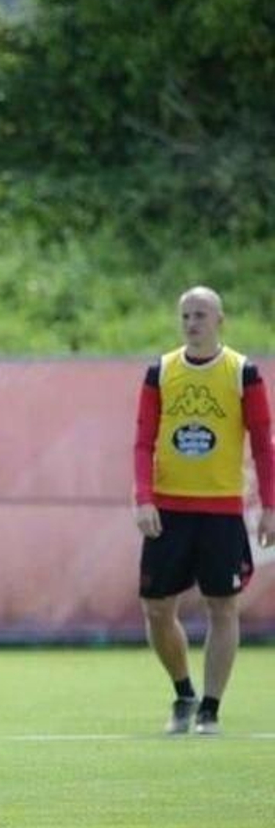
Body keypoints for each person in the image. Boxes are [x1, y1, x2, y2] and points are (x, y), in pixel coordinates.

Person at [132, 285, 274, 735]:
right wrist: (143, 497)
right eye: (186, 316)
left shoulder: (241, 372)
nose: (192, 323)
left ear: (219, 321)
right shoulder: (161, 372)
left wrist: (270, 506)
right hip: (168, 508)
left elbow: (263, 444)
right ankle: (183, 693)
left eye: (201, 315)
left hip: (221, 509)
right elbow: (142, 441)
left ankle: (210, 708)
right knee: (156, 608)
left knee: (223, 606)